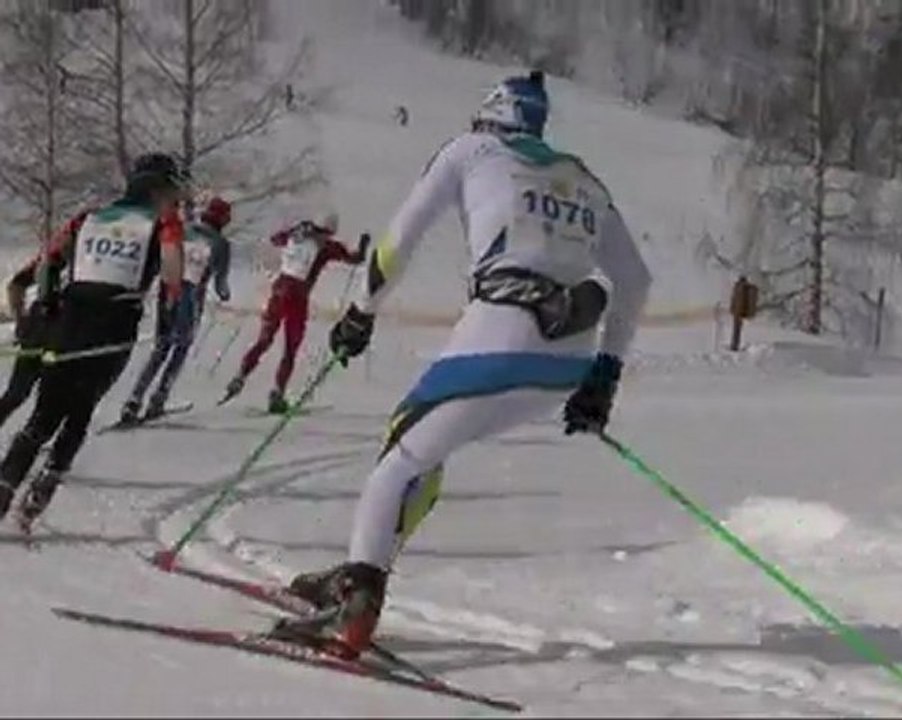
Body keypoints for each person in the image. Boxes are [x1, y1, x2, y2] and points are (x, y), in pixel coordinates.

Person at [269, 70, 652, 658]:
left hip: (500, 334)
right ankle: (361, 572)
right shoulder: (583, 179)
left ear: (490, 115)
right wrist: (604, 375)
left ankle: (358, 598)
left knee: (400, 458)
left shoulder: (471, 150)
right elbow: (635, 279)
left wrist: (360, 313)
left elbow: (397, 244)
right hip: (567, 359)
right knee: (427, 449)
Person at [0, 153, 187, 528]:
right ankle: (44, 486)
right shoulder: (163, 222)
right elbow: (172, 276)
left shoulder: (89, 217)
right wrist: (170, 321)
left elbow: (49, 262)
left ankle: (5, 488)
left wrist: (48, 302)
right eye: (172, 191)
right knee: (82, 408)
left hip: (69, 318)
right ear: (158, 189)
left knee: (44, 413)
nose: (175, 199)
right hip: (114, 322)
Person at [221, 215, 370, 414]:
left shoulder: (296, 235)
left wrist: (294, 230)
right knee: (290, 349)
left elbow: (275, 239)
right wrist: (364, 245)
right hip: (298, 297)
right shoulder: (326, 246)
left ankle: (240, 376)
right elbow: (355, 259)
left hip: (278, 291)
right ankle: (277, 393)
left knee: (264, 340)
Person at [120, 196, 233, 423]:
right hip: (191, 296)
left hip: (167, 290)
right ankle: (159, 397)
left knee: (161, 346)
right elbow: (221, 285)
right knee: (181, 346)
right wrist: (224, 294)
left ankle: (134, 398)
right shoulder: (221, 244)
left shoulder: (185, 230)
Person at [0, 249, 64, 429]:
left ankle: (31, 434)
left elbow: (16, 285)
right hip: (46, 334)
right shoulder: (55, 255)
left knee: (26, 394)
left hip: (53, 332)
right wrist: (21, 321)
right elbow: (16, 285)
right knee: (19, 393)